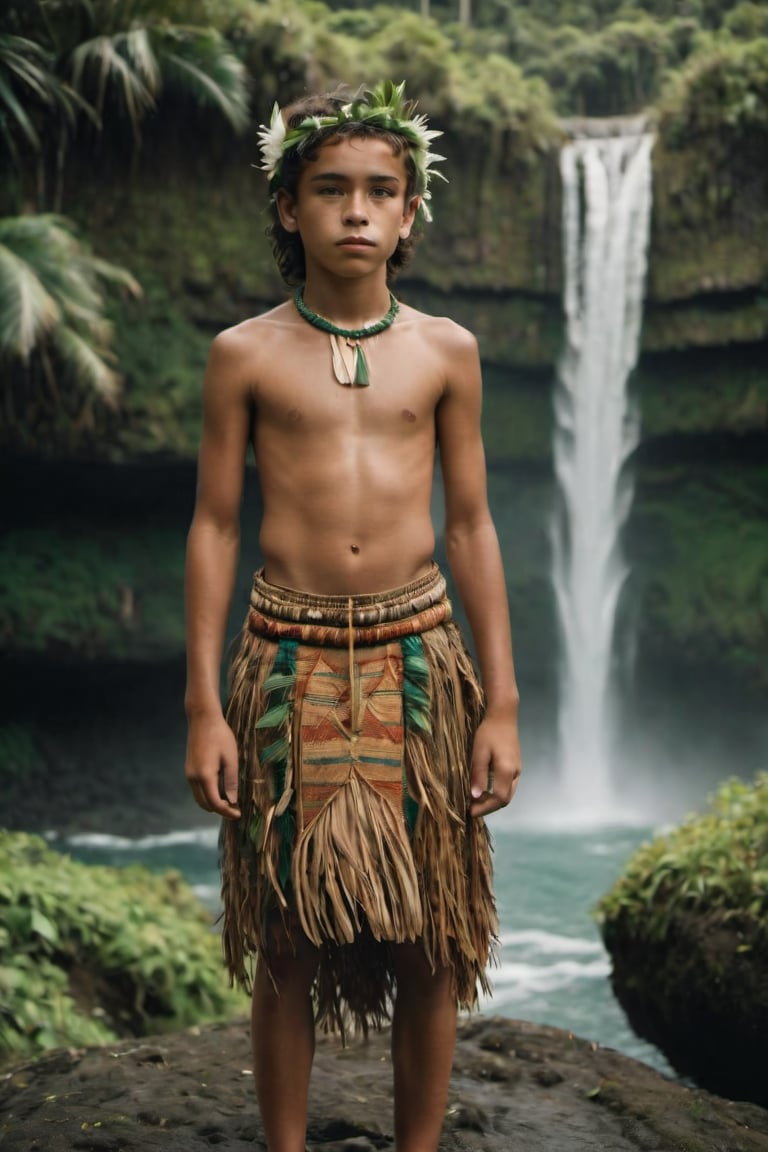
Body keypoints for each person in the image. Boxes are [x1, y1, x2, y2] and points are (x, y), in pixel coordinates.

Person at [184, 80, 522, 1152]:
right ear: (289, 207)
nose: (358, 211)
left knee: (433, 932)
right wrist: (204, 706)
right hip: (285, 662)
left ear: (413, 210)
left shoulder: (446, 352)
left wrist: (503, 700)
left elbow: (470, 525)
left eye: (383, 190)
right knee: (284, 932)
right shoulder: (243, 354)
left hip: (420, 658)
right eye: (331, 189)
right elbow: (216, 530)